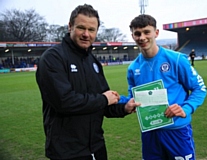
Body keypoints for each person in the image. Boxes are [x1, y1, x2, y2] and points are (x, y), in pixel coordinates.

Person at [36, 4, 140, 160]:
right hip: (67, 151)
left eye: (91, 30)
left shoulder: (93, 62)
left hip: (96, 146)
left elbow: (104, 103)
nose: (86, 34)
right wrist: (104, 99)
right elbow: (64, 102)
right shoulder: (53, 58)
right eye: (81, 28)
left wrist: (124, 108)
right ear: (70, 26)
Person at [119, 14, 207, 160]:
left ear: (156, 33)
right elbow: (133, 98)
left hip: (176, 131)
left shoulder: (177, 59)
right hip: (149, 132)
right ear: (133, 36)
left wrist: (185, 109)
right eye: (137, 33)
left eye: (147, 32)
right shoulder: (133, 68)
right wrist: (122, 101)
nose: (142, 37)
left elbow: (200, 88)